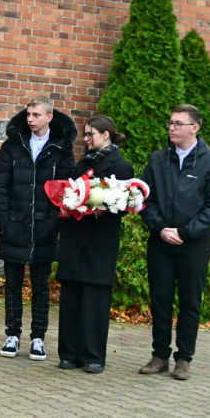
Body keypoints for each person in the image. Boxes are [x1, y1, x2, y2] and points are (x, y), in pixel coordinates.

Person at [138, 104, 210, 381]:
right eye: (171, 123)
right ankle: (160, 355)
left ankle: (184, 359)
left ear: (195, 128)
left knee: (190, 302)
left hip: (194, 245)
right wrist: (160, 228)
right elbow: (142, 199)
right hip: (161, 242)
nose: (172, 128)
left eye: (178, 123)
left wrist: (185, 232)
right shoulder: (157, 160)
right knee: (160, 299)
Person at [0, 96, 76, 361]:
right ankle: (12, 335)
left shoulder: (61, 150)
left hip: (44, 229)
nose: (30, 119)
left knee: (41, 286)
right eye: (28, 114)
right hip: (15, 225)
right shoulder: (12, 146)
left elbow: (67, 189)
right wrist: (4, 221)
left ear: (49, 117)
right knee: (12, 284)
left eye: (36, 114)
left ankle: (38, 338)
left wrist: (52, 223)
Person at [55, 115, 134, 373]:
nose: (86, 139)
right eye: (85, 135)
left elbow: (123, 206)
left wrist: (98, 203)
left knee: (95, 300)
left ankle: (93, 356)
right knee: (71, 298)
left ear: (106, 135)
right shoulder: (81, 164)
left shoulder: (121, 167)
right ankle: (68, 353)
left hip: (99, 243)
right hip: (74, 239)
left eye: (90, 134)